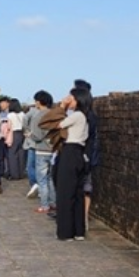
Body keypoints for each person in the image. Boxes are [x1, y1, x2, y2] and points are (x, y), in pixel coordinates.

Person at [52, 88, 91, 240]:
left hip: (69, 153)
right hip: (79, 153)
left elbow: (57, 125)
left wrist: (62, 105)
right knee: (77, 193)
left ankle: (66, 231)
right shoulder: (84, 117)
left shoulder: (76, 115)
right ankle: (78, 230)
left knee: (65, 193)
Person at [73, 79, 100, 233]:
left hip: (84, 155)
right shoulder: (90, 115)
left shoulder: (85, 117)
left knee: (82, 187)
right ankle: (82, 217)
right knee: (85, 188)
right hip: (88, 155)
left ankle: (81, 217)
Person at [27, 90, 56, 213]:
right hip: (54, 149)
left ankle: (44, 205)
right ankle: (53, 202)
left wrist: (30, 135)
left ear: (38, 102)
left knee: (42, 179)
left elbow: (37, 136)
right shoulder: (54, 114)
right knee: (51, 179)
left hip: (42, 150)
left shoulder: (38, 116)